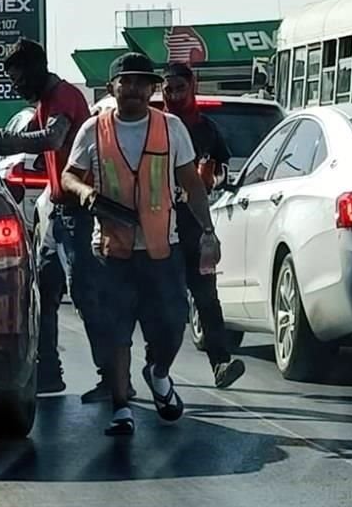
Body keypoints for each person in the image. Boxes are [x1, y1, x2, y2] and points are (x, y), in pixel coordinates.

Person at [62, 52, 221, 436]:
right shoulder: (93, 130)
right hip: (112, 252)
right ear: (112, 88)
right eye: (126, 82)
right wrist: (86, 193)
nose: (133, 89)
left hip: (160, 249)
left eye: (141, 83)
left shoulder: (170, 128)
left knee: (171, 326)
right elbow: (69, 176)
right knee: (115, 331)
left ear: (152, 89)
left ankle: (158, 372)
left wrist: (208, 231)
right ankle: (122, 409)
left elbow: (192, 184)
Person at [0, 39, 107, 397]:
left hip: (79, 213)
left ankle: (113, 378)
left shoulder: (64, 98)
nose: (17, 88)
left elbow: (52, 138)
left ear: (38, 69)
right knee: (46, 293)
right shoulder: (45, 101)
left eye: (20, 80)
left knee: (85, 295)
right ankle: (49, 371)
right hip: (56, 213)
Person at [161, 62, 246, 389]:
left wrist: (211, 176)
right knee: (166, 305)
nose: (174, 95)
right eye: (168, 89)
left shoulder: (206, 129)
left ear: (191, 87)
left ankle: (220, 362)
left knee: (207, 299)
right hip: (158, 227)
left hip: (196, 226)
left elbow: (222, 171)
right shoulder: (156, 126)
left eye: (180, 88)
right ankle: (158, 371)